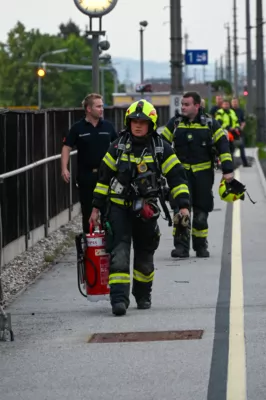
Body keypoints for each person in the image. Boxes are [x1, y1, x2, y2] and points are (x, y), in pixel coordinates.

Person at [89, 99, 190, 316]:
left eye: (142, 122)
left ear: (151, 124)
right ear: (128, 122)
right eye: (134, 121)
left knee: (145, 256)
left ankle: (143, 295)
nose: (137, 125)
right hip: (118, 208)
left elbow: (177, 178)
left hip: (146, 209)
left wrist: (183, 207)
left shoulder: (161, 148)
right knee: (119, 253)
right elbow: (103, 179)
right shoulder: (117, 147)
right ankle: (118, 300)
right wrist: (96, 208)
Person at [161, 91, 234, 258]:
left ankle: (200, 245)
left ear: (197, 105)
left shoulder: (210, 124)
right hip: (180, 175)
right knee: (180, 210)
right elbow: (162, 146)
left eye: (187, 104)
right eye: (182, 105)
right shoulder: (175, 123)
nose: (183, 107)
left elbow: (223, 146)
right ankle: (181, 247)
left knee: (201, 213)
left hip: (203, 175)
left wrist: (228, 170)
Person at [61, 93, 117, 233]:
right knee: (87, 211)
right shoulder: (77, 128)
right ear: (88, 109)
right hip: (86, 176)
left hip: (106, 175)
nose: (101, 109)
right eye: (98, 106)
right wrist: (64, 168)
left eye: (102, 106)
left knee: (107, 211)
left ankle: (108, 245)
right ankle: (89, 244)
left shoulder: (108, 127)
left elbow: (118, 146)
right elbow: (66, 147)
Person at [230, 98, 251, 167]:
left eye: (235, 102)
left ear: (238, 103)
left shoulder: (240, 111)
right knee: (231, 149)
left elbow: (243, 121)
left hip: (239, 132)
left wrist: (241, 127)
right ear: (231, 103)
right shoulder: (229, 111)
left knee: (242, 147)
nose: (234, 103)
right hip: (231, 132)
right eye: (233, 102)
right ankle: (231, 164)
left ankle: (245, 163)